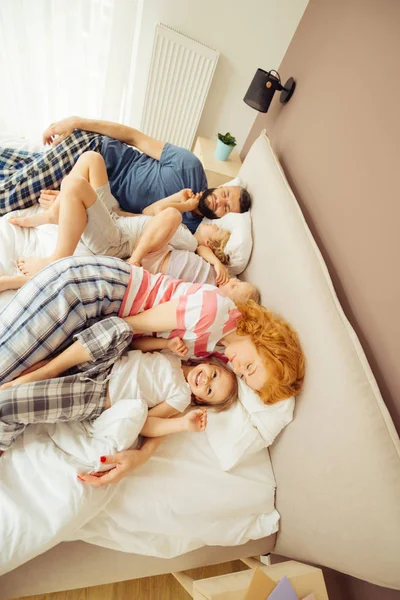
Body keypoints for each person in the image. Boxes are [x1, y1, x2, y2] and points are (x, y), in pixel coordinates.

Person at [0, 255, 305, 483]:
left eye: (244, 376)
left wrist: (140, 456)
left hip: (98, 330)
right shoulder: (214, 312)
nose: (239, 369)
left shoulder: (221, 351)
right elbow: (124, 328)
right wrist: (48, 371)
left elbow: (176, 403)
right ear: (262, 339)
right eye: (250, 366)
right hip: (91, 294)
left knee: (13, 393)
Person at [0, 316, 238, 452]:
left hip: (97, 396)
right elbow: (136, 346)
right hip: (104, 363)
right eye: (214, 375)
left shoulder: (181, 396)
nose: (206, 380)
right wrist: (166, 346)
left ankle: (3, 437)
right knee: (120, 328)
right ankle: (51, 369)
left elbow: (146, 425)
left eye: (208, 390)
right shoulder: (178, 356)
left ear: (200, 399)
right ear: (209, 362)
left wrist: (182, 425)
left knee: (12, 402)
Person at [4, 150, 233, 285]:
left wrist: (214, 260)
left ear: (210, 243)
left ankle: (56, 259)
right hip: (117, 218)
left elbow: (174, 222)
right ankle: (55, 214)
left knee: (74, 185)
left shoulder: (190, 241)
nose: (213, 225)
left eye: (216, 228)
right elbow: (149, 212)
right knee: (92, 158)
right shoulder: (184, 231)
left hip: (116, 240)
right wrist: (179, 198)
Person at [0, 116, 252, 231]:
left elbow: (134, 219)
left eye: (226, 208)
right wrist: (77, 122)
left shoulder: (186, 227)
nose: (220, 201)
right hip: (95, 150)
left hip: (90, 182)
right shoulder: (190, 165)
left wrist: (74, 200)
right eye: (226, 194)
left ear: (222, 218)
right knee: (9, 196)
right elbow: (133, 136)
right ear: (222, 186)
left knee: (12, 168)